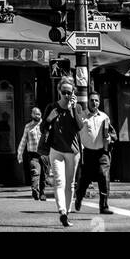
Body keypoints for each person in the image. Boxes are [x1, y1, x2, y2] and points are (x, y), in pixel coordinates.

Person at [42, 78, 84, 227]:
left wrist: (72, 109)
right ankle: (63, 213)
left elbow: (79, 127)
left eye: (69, 92)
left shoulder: (77, 107)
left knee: (70, 183)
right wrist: (49, 119)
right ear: (59, 91)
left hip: (72, 151)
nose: (66, 95)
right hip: (56, 150)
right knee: (59, 181)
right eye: (64, 92)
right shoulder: (51, 107)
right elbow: (43, 128)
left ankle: (68, 211)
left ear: (73, 93)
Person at [74, 91, 116, 216]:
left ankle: (104, 206)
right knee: (84, 180)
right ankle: (79, 198)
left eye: (96, 100)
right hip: (88, 154)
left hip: (102, 153)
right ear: (88, 102)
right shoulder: (81, 116)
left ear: (99, 102)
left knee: (104, 176)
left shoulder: (104, 117)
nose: (94, 103)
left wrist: (110, 138)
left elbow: (114, 134)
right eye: (92, 100)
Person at [17, 107, 47, 202]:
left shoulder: (45, 125)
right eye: (35, 114)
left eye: (39, 114)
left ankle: (42, 192)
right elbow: (23, 140)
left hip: (44, 154)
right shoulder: (28, 126)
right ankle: (35, 190)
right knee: (35, 172)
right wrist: (19, 153)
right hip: (33, 154)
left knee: (44, 175)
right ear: (32, 115)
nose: (37, 116)